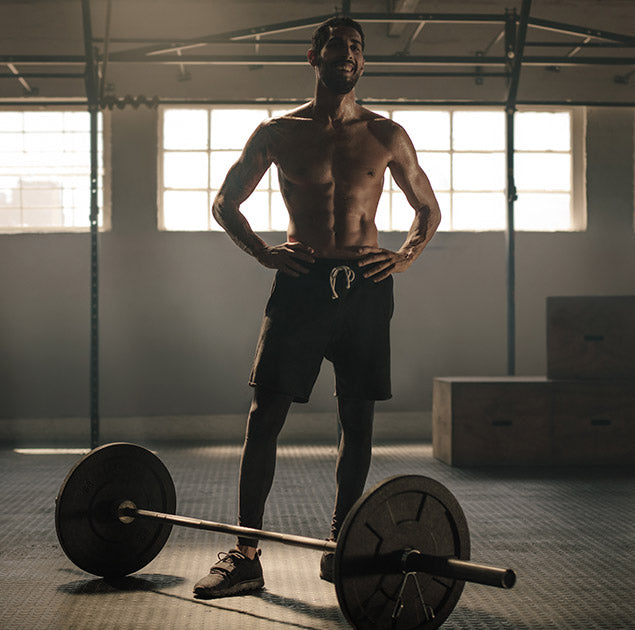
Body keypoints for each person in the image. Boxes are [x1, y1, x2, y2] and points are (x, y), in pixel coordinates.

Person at [193, 16, 441, 599]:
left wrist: (402, 257)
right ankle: (246, 553)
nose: (347, 55)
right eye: (336, 47)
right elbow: (226, 202)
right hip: (302, 285)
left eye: (356, 48)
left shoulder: (387, 135)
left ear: (362, 62)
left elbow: (427, 209)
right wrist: (261, 252)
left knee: (357, 422)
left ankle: (342, 547)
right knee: (264, 417)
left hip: (364, 285)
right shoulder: (278, 133)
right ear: (314, 57)